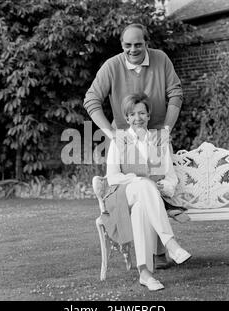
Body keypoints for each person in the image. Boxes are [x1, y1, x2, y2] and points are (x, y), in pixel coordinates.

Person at [83, 23, 189, 268]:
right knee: (141, 186)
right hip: (126, 138)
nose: (133, 49)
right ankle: (160, 250)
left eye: (138, 44)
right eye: (128, 45)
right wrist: (112, 134)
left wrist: (166, 130)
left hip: (156, 135)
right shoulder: (112, 66)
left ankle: (158, 251)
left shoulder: (161, 60)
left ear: (146, 43)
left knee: (157, 184)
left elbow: (175, 93)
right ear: (122, 45)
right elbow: (91, 100)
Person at [103, 93, 191, 291]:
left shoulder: (159, 140)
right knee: (144, 185)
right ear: (126, 118)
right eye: (132, 114)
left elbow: (170, 177)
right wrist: (139, 180)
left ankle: (145, 274)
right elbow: (112, 177)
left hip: (147, 199)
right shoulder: (119, 140)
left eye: (142, 113)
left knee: (142, 208)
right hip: (123, 194)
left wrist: (164, 187)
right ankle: (171, 244)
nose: (138, 118)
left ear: (149, 115)